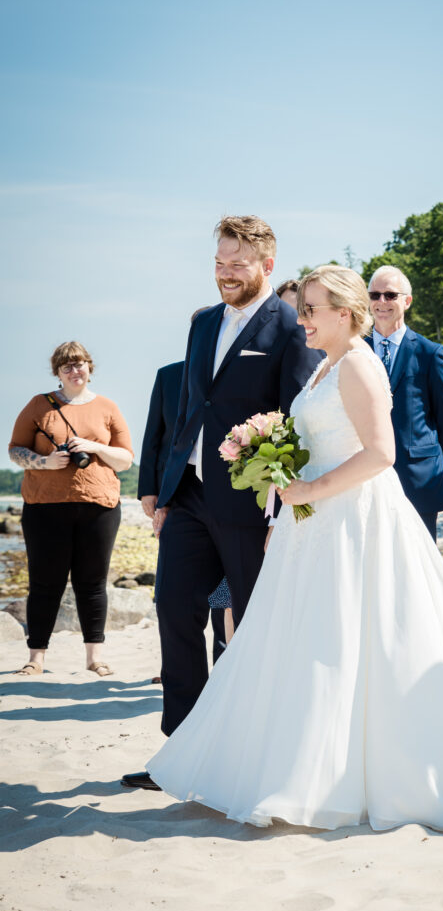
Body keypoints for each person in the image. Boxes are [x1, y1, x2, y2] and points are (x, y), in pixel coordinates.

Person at [141, 266, 443, 832]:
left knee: (352, 643)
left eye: (310, 309)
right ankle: (296, 767)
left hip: (356, 520)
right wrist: (277, 473)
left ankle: (345, 778)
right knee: (305, 643)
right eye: (302, 308)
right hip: (312, 524)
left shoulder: (358, 364)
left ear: (344, 314)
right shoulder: (324, 366)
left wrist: (309, 490)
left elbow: (381, 453)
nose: (300, 319)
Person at [121, 215, 322, 791]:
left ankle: (258, 754)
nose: (226, 274)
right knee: (174, 610)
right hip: (188, 498)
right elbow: (188, 408)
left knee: (254, 627)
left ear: (266, 265)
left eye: (237, 264)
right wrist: (162, 484)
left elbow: (296, 420)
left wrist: (279, 510)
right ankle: (182, 753)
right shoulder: (204, 322)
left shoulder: (289, 327)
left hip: (250, 503)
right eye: (219, 263)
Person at [9, 341, 134, 677]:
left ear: (90, 367)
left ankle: (95, 657)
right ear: (58, 373)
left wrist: (93, 446)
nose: (75, 371)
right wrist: (45, 462)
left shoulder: (107, 407)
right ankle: (36, 658)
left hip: (100, 507)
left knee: (93, 583)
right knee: (44, 583)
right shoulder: (39, 405)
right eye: (67, 366)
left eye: (79, 364)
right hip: (44, 507)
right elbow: (15, 450)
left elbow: (125, 460)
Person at [137, 355, 229, 677]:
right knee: (174, 595)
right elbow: (154, 436)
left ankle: (223, 670)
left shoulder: (238, 371)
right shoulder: (169, 375)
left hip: (232, 495)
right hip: (177, 493)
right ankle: (178, 673)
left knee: (225, 598)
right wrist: (150, 489)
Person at [365, 265, 443, 541]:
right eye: (375, 295)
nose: (381, 302)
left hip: (420, 482)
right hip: (364, 479)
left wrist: (431, 465)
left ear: (406, 301)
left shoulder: (431, 353)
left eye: (390, 295)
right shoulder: (354, 351)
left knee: (420, 571)